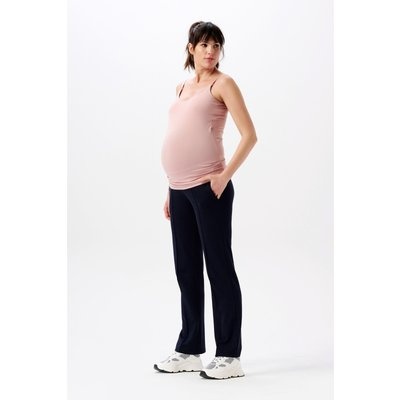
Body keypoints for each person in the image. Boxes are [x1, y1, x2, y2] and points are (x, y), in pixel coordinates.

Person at [155, 21, 257, 380]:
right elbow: (180, 136)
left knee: (219, 268)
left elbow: (249, 135)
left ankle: (229, 355)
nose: (211, 51)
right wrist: (170, 189)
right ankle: (189, 349)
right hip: (179, 189)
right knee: (186, 269)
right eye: (204, 45)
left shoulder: (223, 84)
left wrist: (223, 176)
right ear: (191, 48)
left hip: (209, 188)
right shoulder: (182, 87)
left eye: (216, 45)